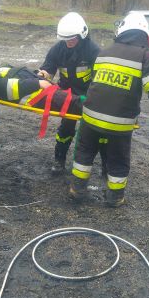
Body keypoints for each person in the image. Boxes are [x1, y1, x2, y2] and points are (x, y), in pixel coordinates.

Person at [69, 12, 149, 207]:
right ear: (144, 33)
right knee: (118, 158)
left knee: (84, 152)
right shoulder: (146, 55)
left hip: (90, 116)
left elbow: (95, 83)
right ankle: (115, 198)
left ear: (122, 30)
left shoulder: (105, 51)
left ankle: (77, 189)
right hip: (120, 123)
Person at [37, 12, 100, 175]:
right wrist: (44, 75)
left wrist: (94, 98)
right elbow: (48, 69)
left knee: (94, 132)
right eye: (65, 39)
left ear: (82, 35)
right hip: (68, 96)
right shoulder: (58, 49)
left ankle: (105, 167)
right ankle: (59, 160)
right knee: (66, 129)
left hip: (89, 96)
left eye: (72, 38)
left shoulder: (93, 51)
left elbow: (100, 79)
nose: (69, 42)